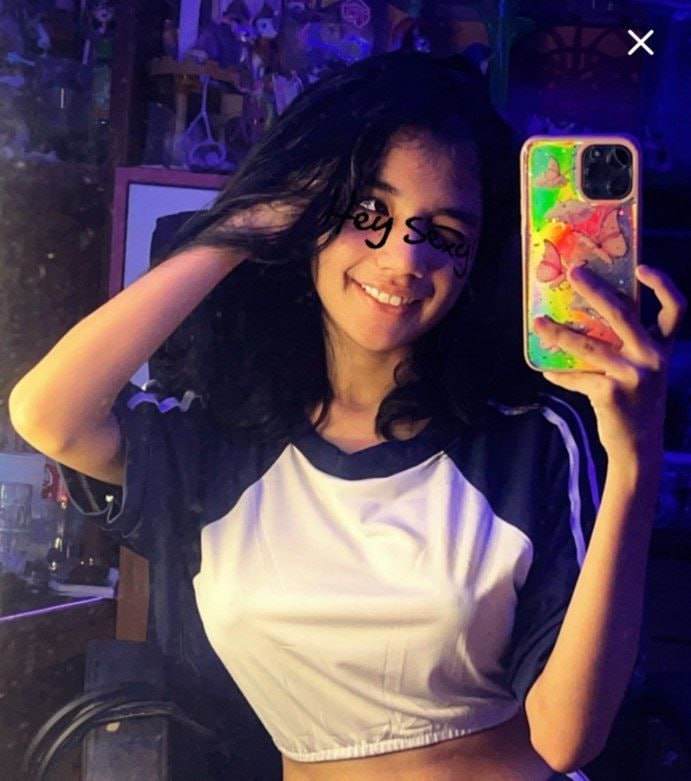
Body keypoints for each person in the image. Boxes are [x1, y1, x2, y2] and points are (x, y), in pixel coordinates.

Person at [9, 51, 686, 781]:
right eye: (367, 214)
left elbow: (563, 737)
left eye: (445, 233)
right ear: (306, 218)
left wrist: (635, 459)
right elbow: (48, 415)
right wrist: (247, 225)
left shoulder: (529, 439)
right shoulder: (225, 444)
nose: (404, 258)